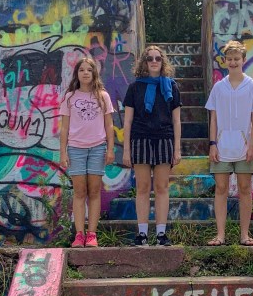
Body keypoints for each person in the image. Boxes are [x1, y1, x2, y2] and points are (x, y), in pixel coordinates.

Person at [205, 39, 253, 246]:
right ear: (224, 61)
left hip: (244, 147)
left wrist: (252, 144)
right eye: (229, 59)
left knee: (244, 188)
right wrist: (212, 144)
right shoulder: (218, 87)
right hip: (222, 146)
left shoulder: (252, 87)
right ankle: (220, 235)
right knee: (221, 188)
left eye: (236, 59)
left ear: (243, 60)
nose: (233, 62)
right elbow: (213, 118)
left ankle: (244, 235)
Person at [122, 44, 181, 246]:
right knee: (143, 187)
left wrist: (178, 148)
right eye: (150, 58)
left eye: (158, 58)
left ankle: (161, 234)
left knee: (162, 187)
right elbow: (127, 121)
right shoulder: (134, 87)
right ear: (144, 63)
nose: (154, 61)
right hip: (140, 139)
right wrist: (126, 150)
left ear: (162, 62)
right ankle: (142, 234)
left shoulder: (171, 86)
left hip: (164, 138)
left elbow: (176, 121)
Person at [59, 56, 115, 248]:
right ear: (77, 74)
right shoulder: (70, 97)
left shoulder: (103, 96)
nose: (85, 73)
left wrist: (110, 149)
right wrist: (63, 153)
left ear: (94, 73)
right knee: (79, 192)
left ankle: (92, 234)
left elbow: (109, 124)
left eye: (88, 70)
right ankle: (79, 235)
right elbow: (64, 128)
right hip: (75, 149)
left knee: (94, 191)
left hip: (98, 148)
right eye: (81, 69)